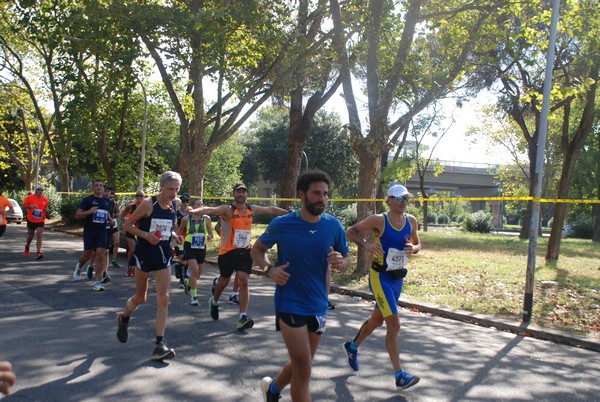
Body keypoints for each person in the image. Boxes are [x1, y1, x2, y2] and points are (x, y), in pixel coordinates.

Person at [251, 170, 350, 402]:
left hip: (318, 303)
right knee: (304, 367)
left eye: (325, 194)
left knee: (302, 363)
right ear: (301, 194)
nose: (322, 199)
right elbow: (257, 250)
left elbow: (346, 259)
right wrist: (269, 270)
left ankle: (273, 389)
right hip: (290, 302)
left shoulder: (333, 226)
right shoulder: (283, 224)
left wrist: (341, 262)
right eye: (316, 193)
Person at [343, 183, 421, 390]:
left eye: (407, 199)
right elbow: (351, 231)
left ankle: (352, 346)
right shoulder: (379, 220)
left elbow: (418, 244)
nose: (405, 202)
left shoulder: (411, 220)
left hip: (397, 279)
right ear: (389, 200)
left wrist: (413, 248)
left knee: (377, 321)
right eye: (400, 198)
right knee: (393, 325)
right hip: (380, 277)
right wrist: (367, 245)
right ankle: (399, 375)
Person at [189, 184, 287, 331]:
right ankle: (214, 301)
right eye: (238, 192)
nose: (241, 194)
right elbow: (208, 210)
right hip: (227, 252)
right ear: (234, 194)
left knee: (244, 281)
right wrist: (193, 210)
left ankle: (242, 317)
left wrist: (291, 214)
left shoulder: (251, 209)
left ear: (247, 194)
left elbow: (271, 209)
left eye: (243, 192)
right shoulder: (226, 209)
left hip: (245, 251)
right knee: (224, 281)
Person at [116, 171, 183, 361]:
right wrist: (146, 236)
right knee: (141, 297)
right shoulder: (148, 204)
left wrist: (175, 235)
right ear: (161, 187)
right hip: (144, 254)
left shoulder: (174, 204)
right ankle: (124, 318)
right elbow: (128, 225)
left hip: (162, 255)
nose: (174, 193)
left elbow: (172, 225)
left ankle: (159, 344)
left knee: (164, 297)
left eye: (177, 189)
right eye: (170, 189)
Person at [72, 180, 113, 291]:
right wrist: (89, 211)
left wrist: (110, 220)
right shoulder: (88, 200)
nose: (99, 188)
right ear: (92, 188)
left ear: (103, 188)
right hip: (90, 231)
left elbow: (106, 212)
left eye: (101, 186)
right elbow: (77, 215)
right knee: (87, 255)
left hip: (102, 231)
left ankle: (97, 282)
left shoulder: (106, 200)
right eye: (96, 185)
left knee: (100, 253)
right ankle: (79, 267)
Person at [176, 199, 213, 305]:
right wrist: (177, 239)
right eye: (198, 204)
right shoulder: (186, 219)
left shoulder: (206, 219)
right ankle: (194, 297)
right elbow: (179, 231)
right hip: (189, 245)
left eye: (201, 204)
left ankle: (188, 282)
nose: (200, 206)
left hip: (201, 246)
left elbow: (211, 234)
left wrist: (210, 237)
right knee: (194, 270)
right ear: (193, 206)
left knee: (198, 273)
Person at [120, 190, 145, 277]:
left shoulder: (146, 207)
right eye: (137, 195)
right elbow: (122, 215)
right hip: (131, 229)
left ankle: (137, 267)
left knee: (141, 250)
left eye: (141, 196)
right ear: (135, 197)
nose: (139, 197)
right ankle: (129, 266)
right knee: (133, 249)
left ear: (144, 197)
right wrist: (127, 221)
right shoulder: (131, 206)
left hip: (141, 231)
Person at [22, 184, 50, 259]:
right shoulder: (29, 198)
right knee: (30, 235)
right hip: (31, 219)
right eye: (39, 190)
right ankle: (27, 246)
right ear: (36, 190)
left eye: (42, 190)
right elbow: (23, 206)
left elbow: (46, 206)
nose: (40, 191)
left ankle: (38, 252)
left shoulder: (45, 199)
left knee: (39, 234)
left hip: (40, 220)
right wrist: (30, 206)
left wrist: (47, 209)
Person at [173, 193, 190, 288]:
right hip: (179, 237)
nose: (185, 203)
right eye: (183, 201)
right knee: (182, 257)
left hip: (188, 237)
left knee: (186, 259)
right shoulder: (176, 212)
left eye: (187, 201)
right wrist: (176, 235)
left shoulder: (191, 212)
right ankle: (182, 281)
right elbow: (175, 224)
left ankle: (178, 267)